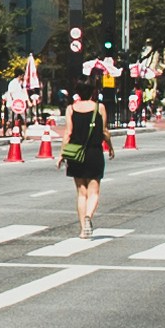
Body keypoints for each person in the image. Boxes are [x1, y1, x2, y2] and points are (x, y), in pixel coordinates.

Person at [54, 77, 112, 243]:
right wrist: (111, 147)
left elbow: (68, 133)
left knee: (81, 192)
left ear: (78, 93)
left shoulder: (71, 108)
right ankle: (88, 217)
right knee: (94, 191)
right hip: (94, 152)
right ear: (94, 91)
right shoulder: (99, 108)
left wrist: (62, 154)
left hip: (76, 154)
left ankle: (82, 230)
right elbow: (105, 131)